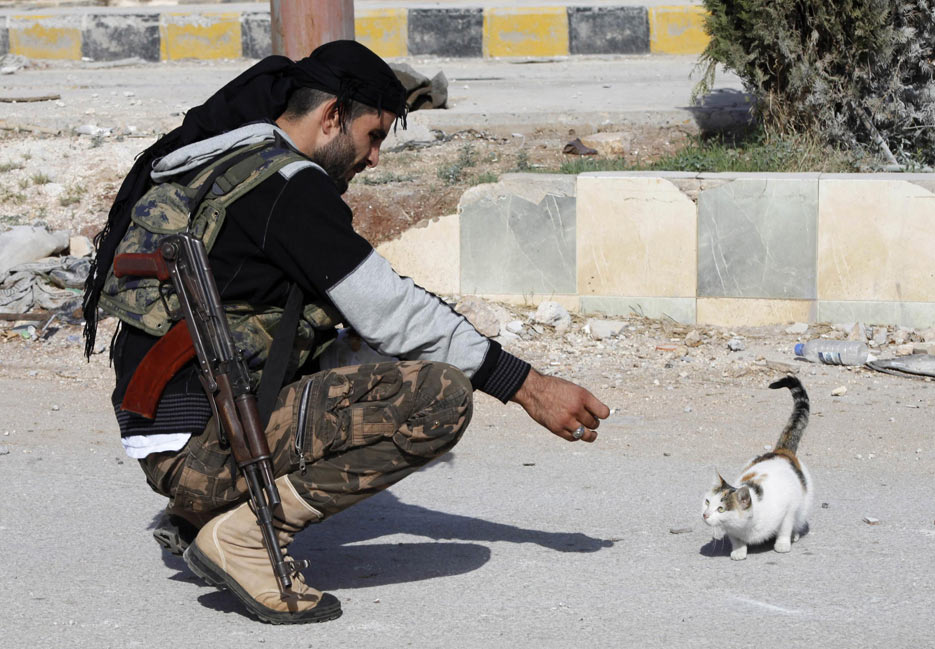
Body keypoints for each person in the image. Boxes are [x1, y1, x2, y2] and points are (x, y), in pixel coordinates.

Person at [83, 40, 609, 625]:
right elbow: (394, 309)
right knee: (439, 396)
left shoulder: (225, 167)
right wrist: (528, 386)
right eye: (374, 135)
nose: (375, 158)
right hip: (200, 449)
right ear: (332, 115)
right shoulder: (286, 186)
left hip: (170, 437)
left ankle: (199, 515)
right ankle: (245, 535)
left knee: (360, 348)